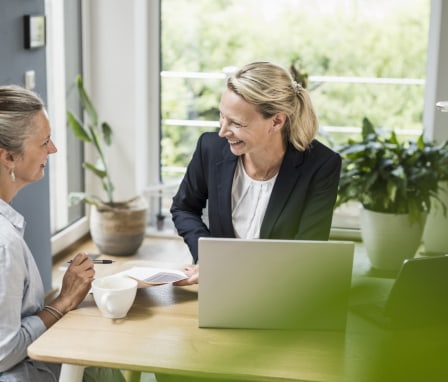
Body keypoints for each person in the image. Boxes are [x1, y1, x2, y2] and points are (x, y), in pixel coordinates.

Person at [170, 61, 341, 286]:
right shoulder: (209, 149)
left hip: (282, 289)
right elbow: (184, 208)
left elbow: (307, 252)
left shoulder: (321, 165)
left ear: (277, 121)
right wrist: (208, 257)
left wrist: (233, 270)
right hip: (219, 288)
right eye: (222, 116)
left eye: (236, 123)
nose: (222, 131)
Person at [0, 85, 125, 382]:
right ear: (8, 157)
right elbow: (3, 352)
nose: (53, 149)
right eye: (44, 142)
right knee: (100, 356)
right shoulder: (5, 244)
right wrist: (64, 301)